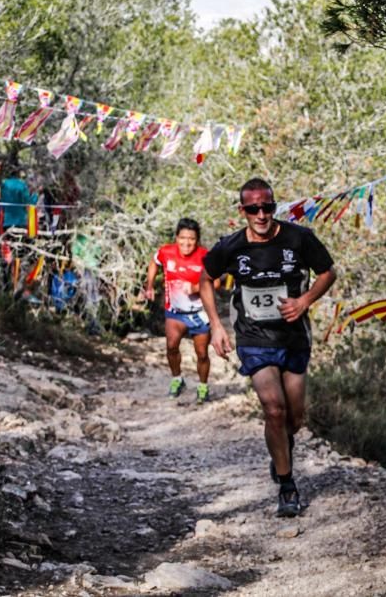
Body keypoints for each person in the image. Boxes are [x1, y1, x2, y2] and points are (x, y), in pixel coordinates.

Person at [200, 178, 336, 518]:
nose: (261, 215)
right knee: (273, 410)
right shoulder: (230, 246)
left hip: (293, 337)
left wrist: (304, 301)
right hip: (253, 338)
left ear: (274, 206)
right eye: (253, 209)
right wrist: (216, 325)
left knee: (295, 416)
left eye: (267, 207)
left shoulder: (298, 238)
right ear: (242, 211)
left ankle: (282, 451)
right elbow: (205, 279)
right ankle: (287, 485)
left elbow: (328, 272)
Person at [145, 218, 213, 404]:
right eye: (182, 238)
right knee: (171, 346)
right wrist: (149, 285)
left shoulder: (205, 256)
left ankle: (203, 386)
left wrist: (196, 288)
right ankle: (177, 379)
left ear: (197, 240)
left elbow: (217, 282)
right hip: (175, 311)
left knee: (202, 353)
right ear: (176, 238)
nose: (186, 243)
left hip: (200, 312)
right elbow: (154, 262)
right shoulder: (166, 252)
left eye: (191, 239)